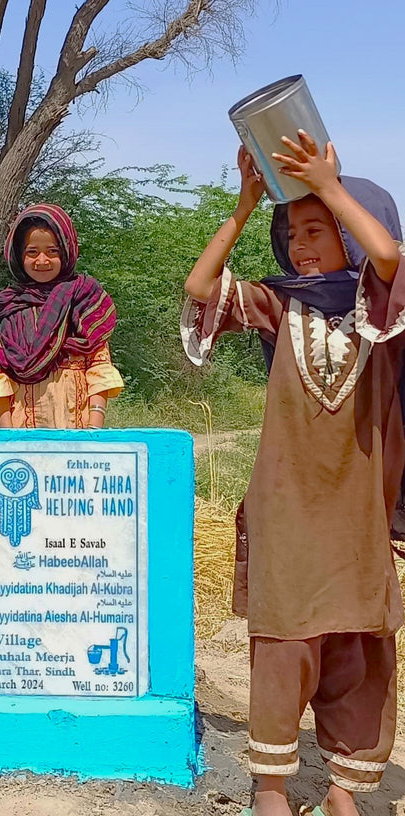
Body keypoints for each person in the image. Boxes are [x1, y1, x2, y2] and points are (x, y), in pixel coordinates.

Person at [182, 136, 405, 816]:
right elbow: (199, 288)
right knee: (282, 646)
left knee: (358, 646)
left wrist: (331, 186)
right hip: (286, 511)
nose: (302, 245)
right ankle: (271, 787)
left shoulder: (382, 314)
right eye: (294, 232)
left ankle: (344, 787)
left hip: (357, 515)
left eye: (319, 230)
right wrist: (247, 205)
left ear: (351, 233)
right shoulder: (281, 306)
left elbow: (392, 259)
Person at [0, 204, 123, 428]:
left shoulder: (83, 299)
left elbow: (99, 366)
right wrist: (7, 434)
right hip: (22, 432)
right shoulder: (6, 307)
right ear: (18, 255)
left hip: (79, 429)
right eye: (32, 252)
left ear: (67, 251)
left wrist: (94, 429)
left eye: (52, 251)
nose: (42, 261)